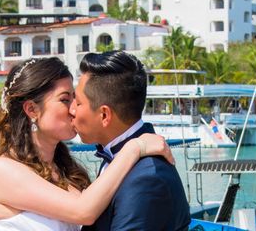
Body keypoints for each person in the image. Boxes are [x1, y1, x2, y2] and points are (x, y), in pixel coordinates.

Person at [0, 57, 174, 230]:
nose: (74, 109)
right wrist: (134, 147)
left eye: (75, 99)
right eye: (65, 99)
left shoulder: (65, 169)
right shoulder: (3, 170)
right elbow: (82, 212)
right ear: (32, 109)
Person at [71, 51, 190, 231]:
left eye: (78, 102)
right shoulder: (118, 155)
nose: (72, 110)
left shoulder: (145, 179)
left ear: (104, 115)